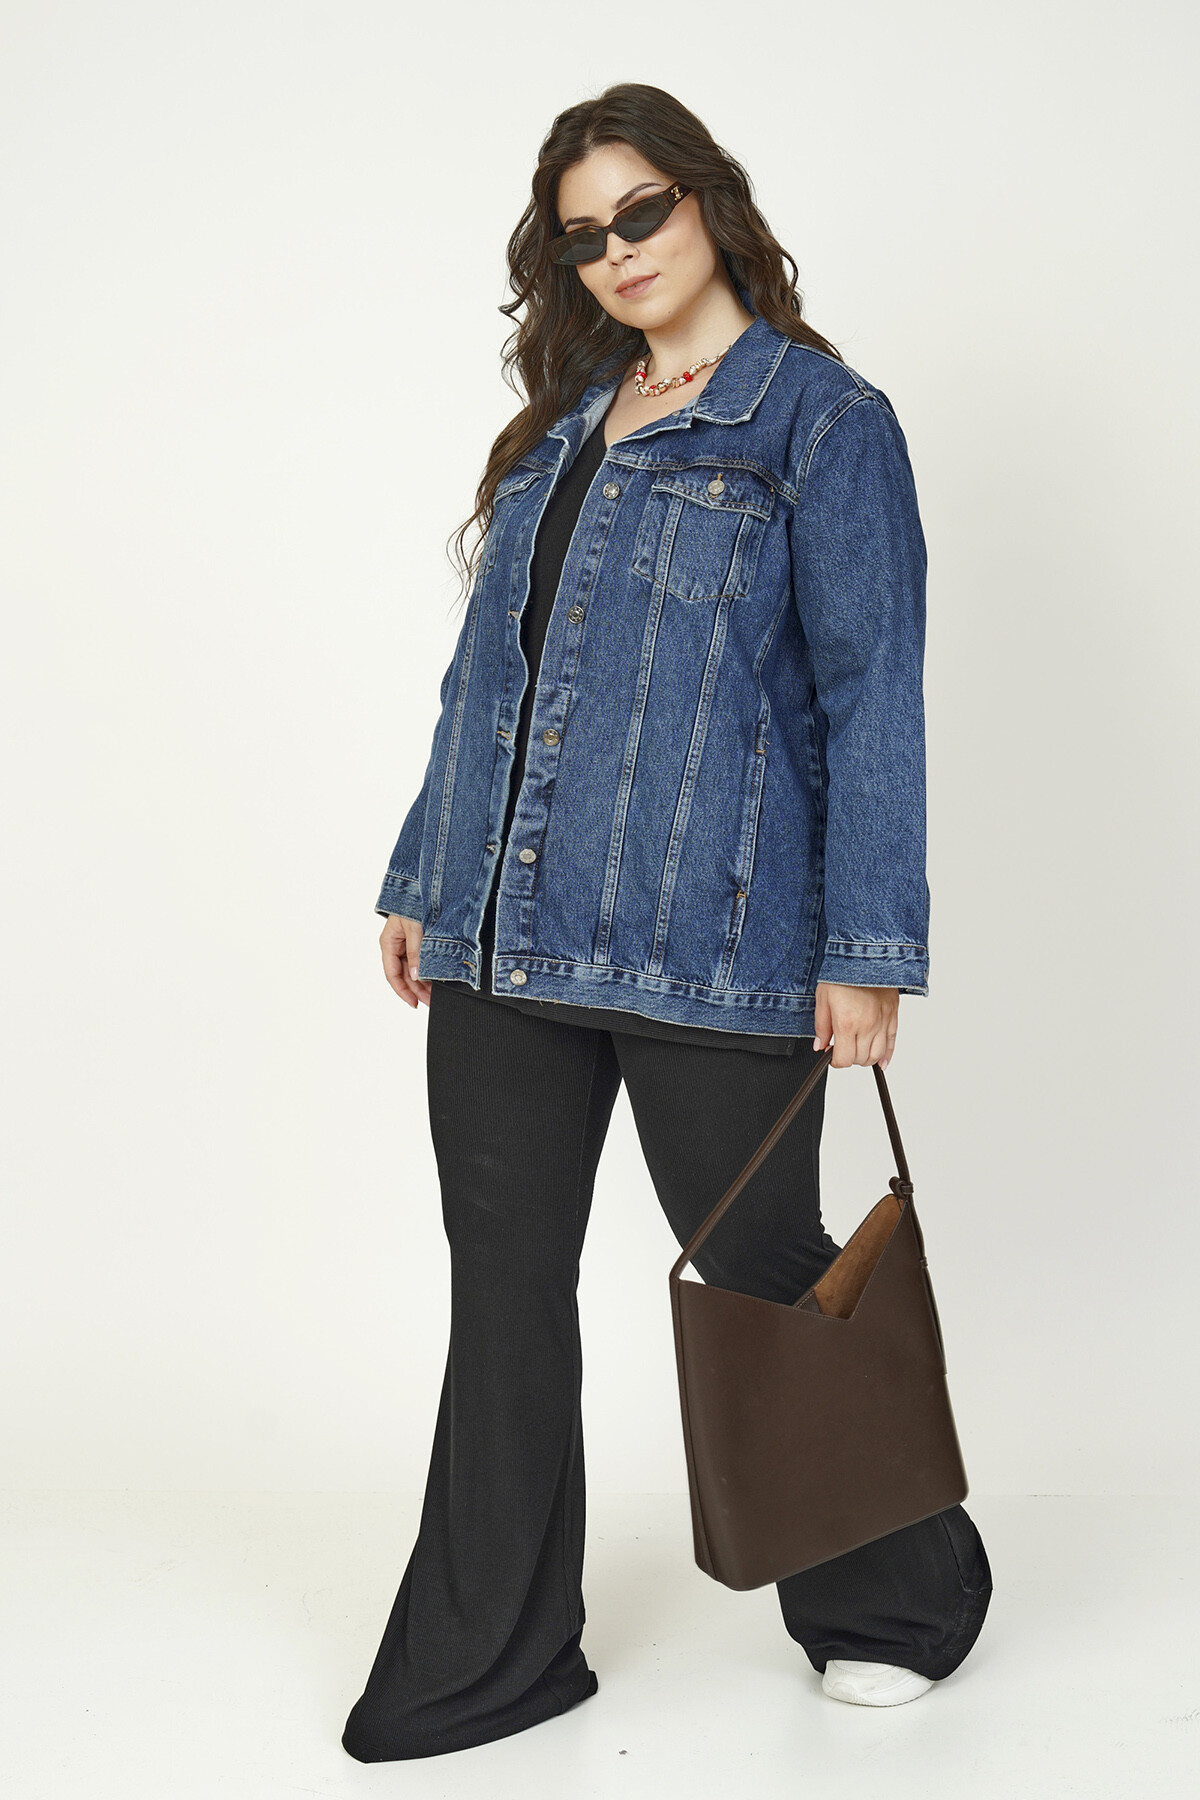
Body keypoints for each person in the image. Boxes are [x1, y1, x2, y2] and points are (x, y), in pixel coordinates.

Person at [342, 83, 992, 1764]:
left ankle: (900, 1600)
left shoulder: (820, 424)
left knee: (766, 1275)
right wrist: (425, 878)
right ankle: (493, 1653)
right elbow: (489, 681)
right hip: (503, 935)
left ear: (709, 203)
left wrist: (869, 948)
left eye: (643, 212)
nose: (619, 252)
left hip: (714, 936)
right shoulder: (569, 422)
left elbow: (872, 694)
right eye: (585, 236)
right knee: (503, 1290)